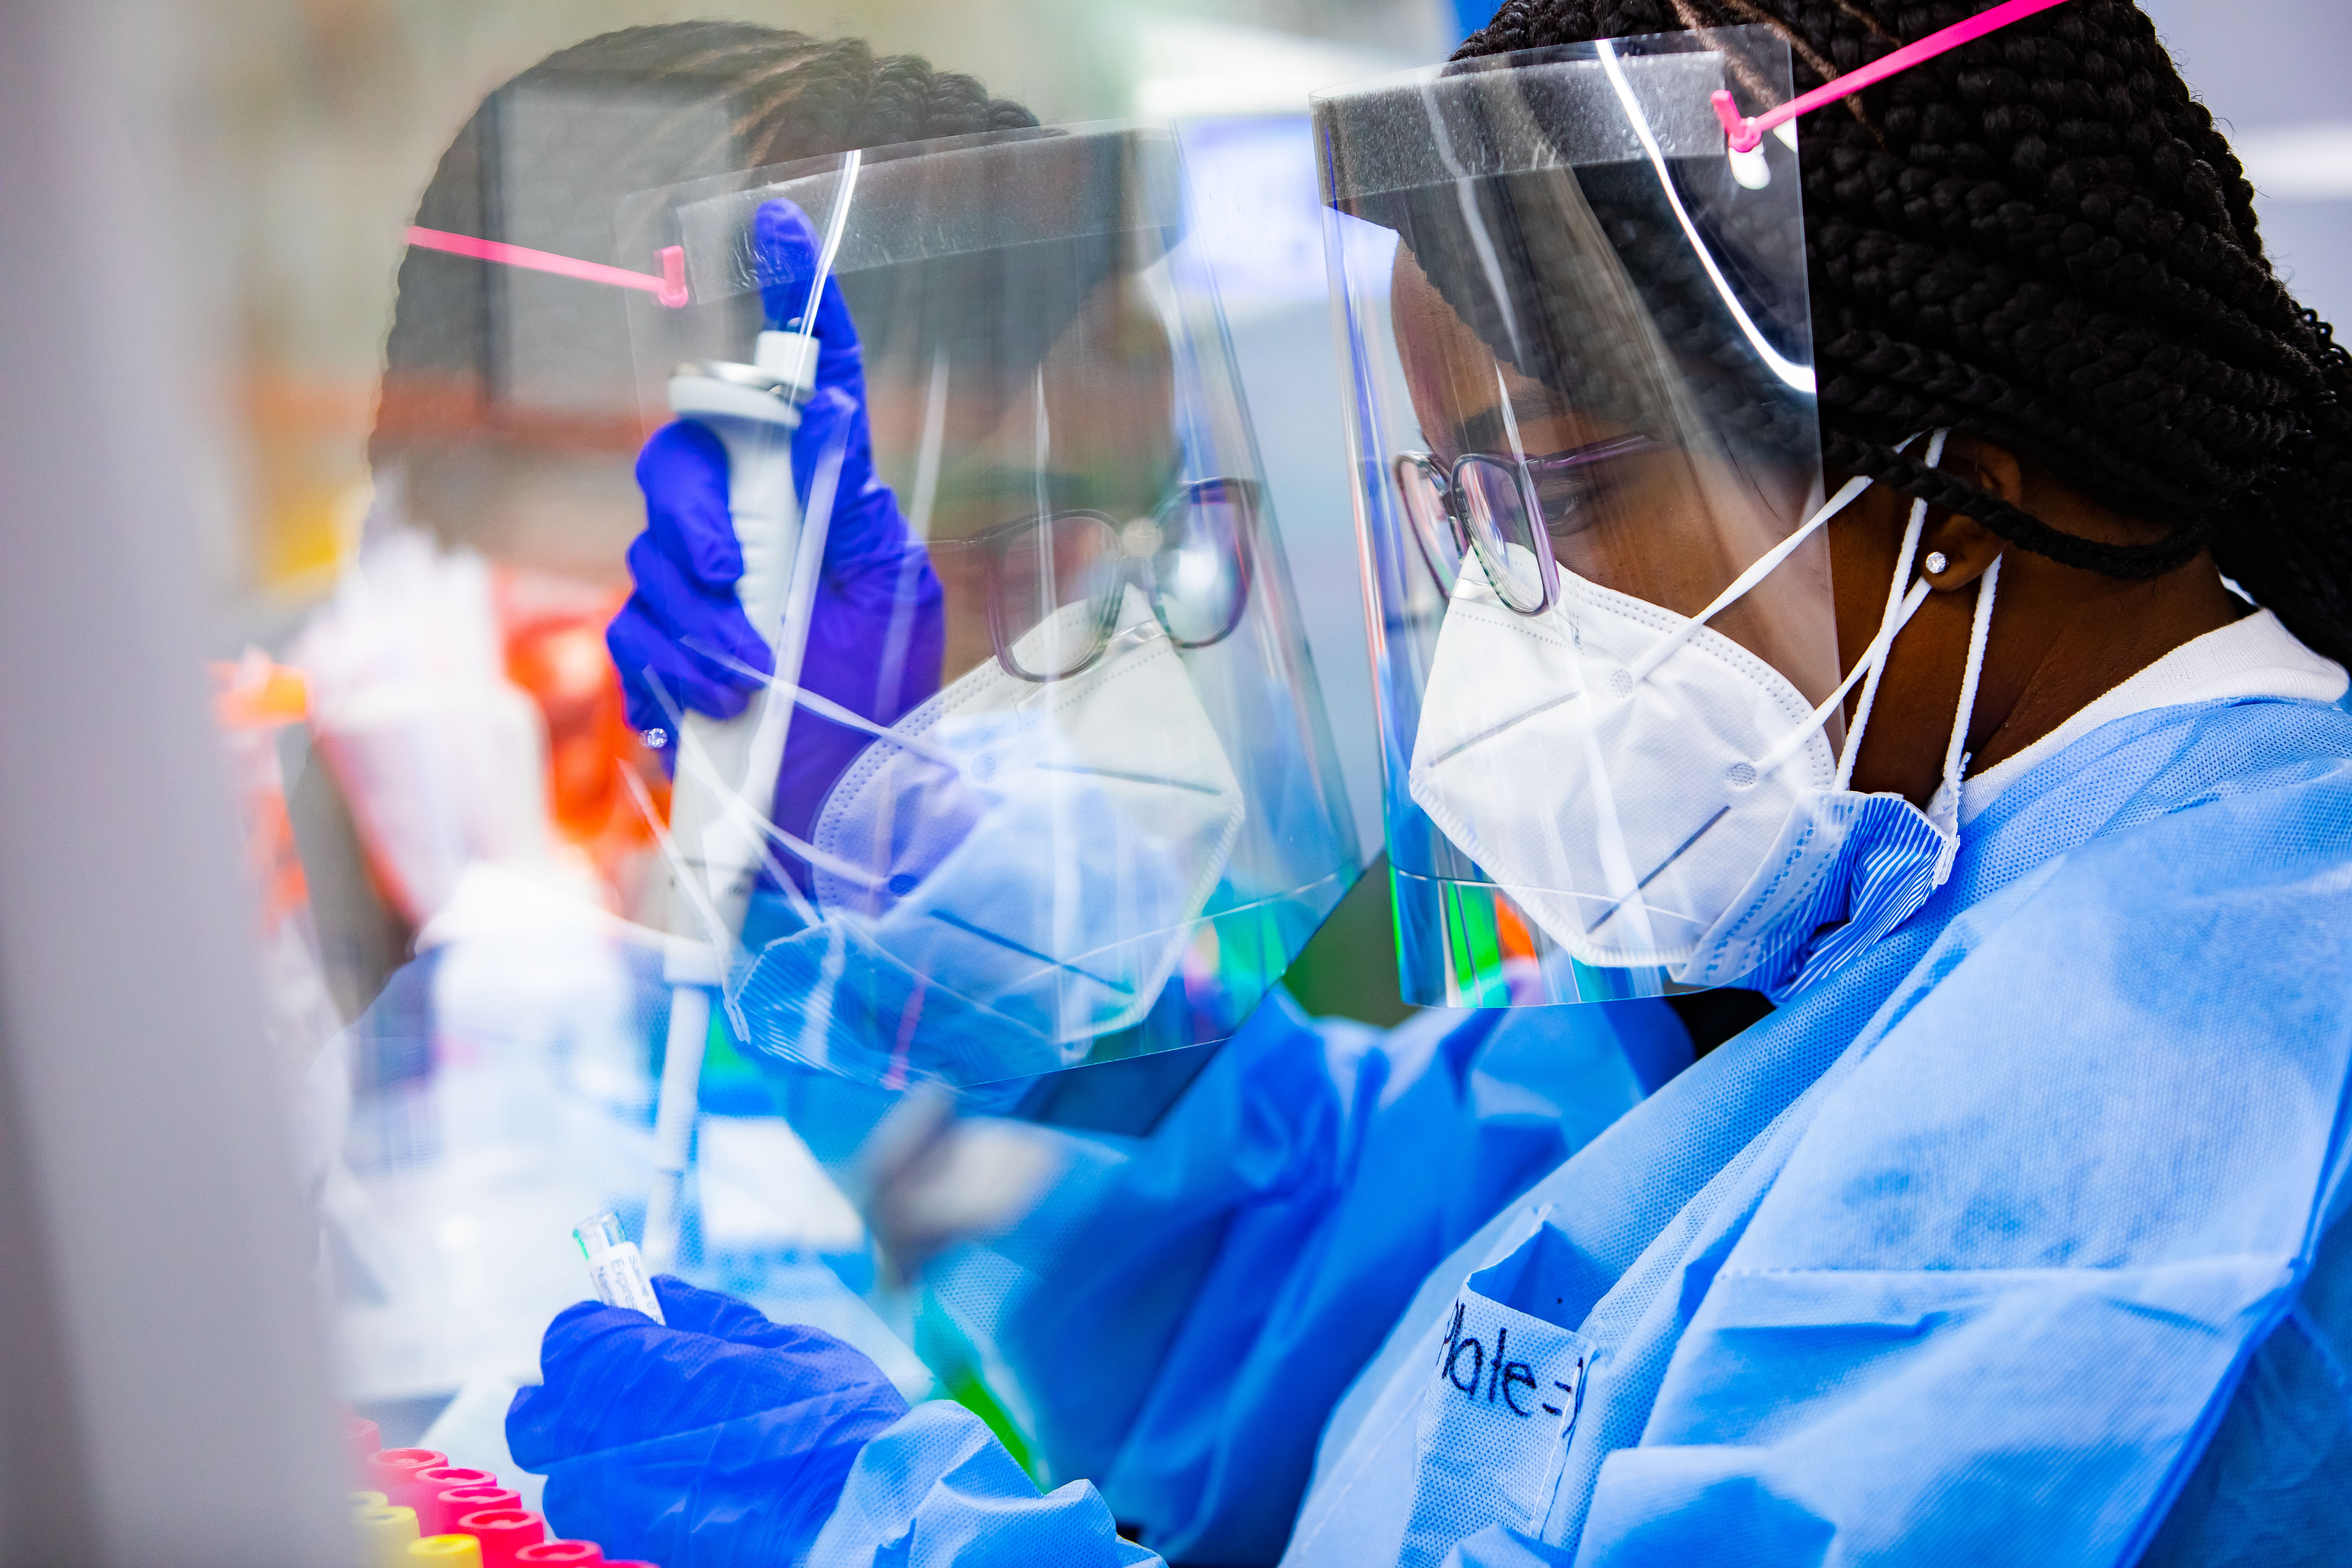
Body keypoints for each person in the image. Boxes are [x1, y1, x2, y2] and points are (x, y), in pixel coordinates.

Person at [512, 2, 2352, 1565]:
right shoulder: (1874, 918)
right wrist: (863, 813)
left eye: (1553, 493)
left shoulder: (2179, 1055)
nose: (1495, 623)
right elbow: (1296, 1281)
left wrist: (886, 1535)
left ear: (1983, 478)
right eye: (1457, 516)